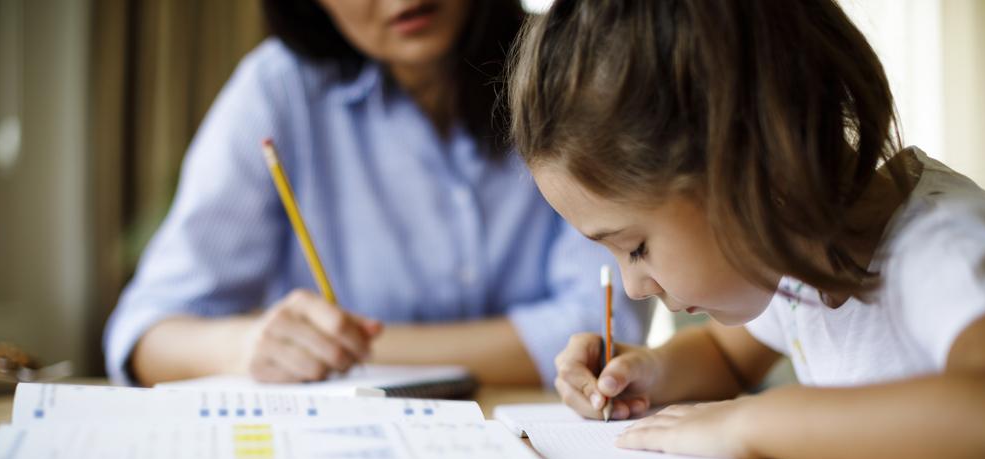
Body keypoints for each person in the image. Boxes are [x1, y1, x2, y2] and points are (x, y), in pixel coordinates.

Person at [508, 0, 985, 459]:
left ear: (748, 161)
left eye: (635, 247)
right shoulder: (796, 255)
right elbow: (726, 356)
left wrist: (753, 423)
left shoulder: (943, 249)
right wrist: (646, 372)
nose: (633, 288)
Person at [103, 0, 648, 387]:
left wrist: (352, 353)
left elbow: (604, 330)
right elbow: (144, 335)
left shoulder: (568, 68)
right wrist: (249, 347)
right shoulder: (278, 92)